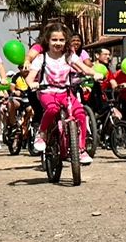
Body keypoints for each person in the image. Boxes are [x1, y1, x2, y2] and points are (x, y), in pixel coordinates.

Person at [26, 21, 92, 164]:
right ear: (47, 41)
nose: (58, 43)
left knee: (80, 113)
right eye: (54, 40)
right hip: (47, 92)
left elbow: (85, 68)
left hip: (66, 93)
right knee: (52, 109)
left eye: (61, 40)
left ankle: (81, 149)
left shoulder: (69, 56)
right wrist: (32, 84)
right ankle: (41, 134)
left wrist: (95, 73)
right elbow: (30, 77)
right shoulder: (41, 58)